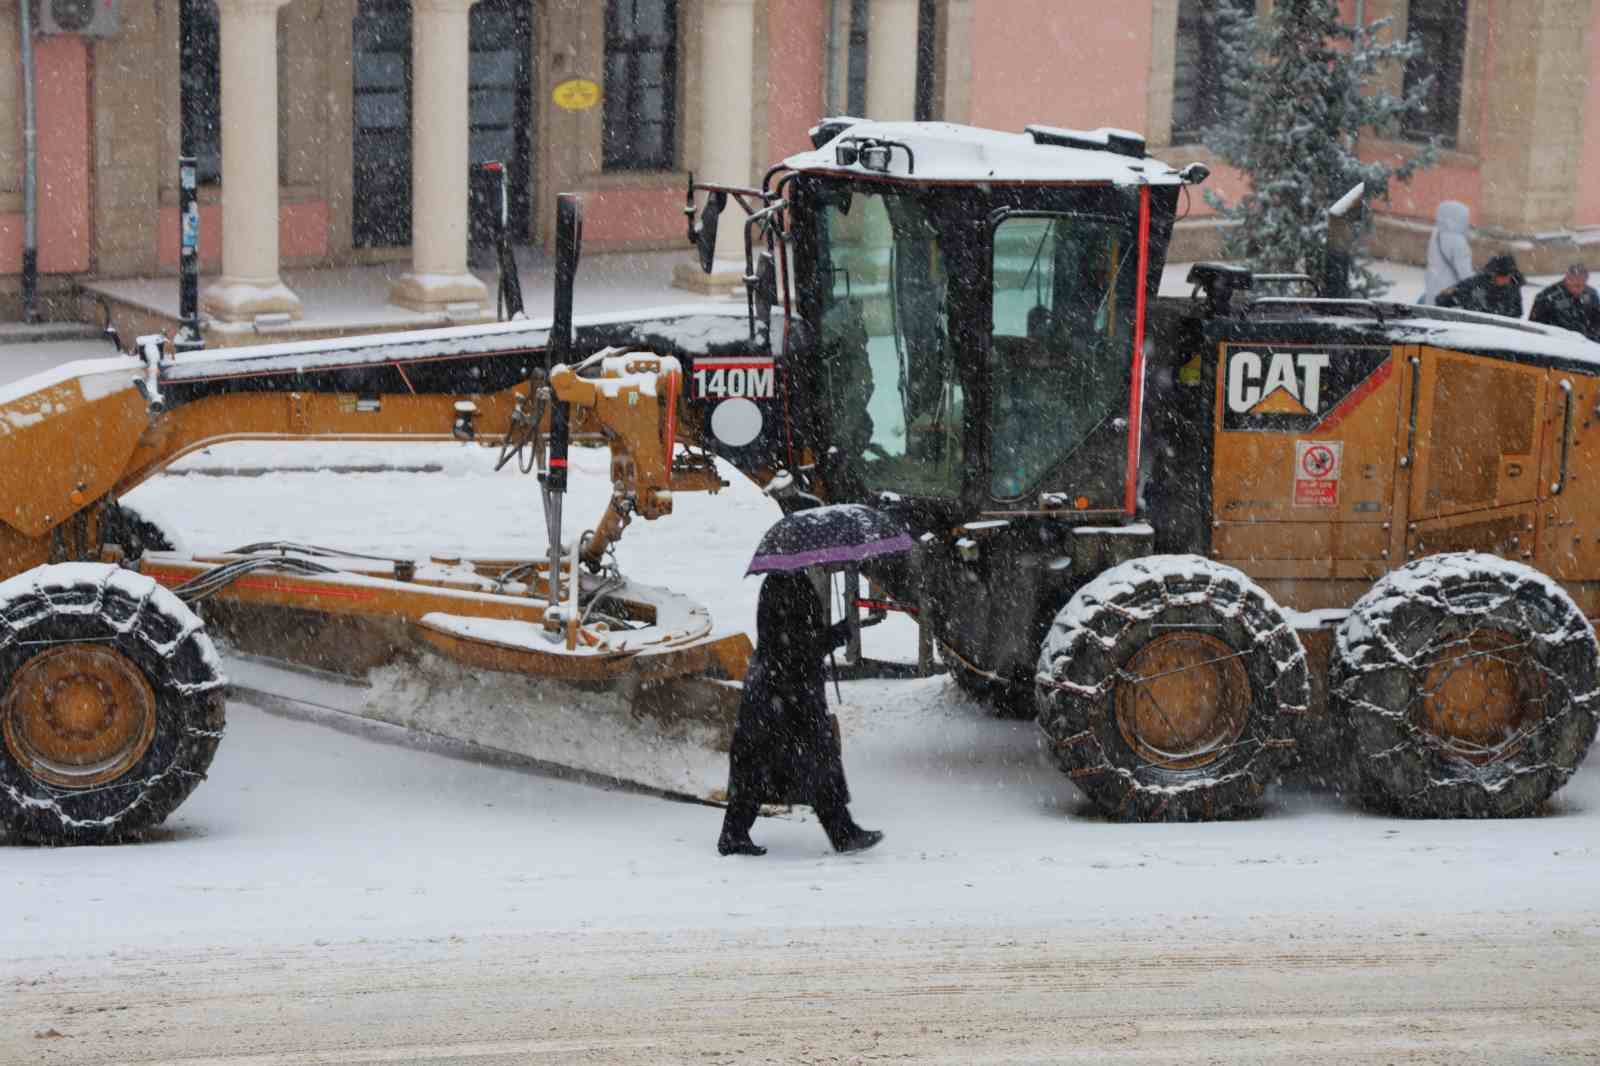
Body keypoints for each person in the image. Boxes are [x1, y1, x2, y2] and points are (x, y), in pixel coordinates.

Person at [718, 571, 883, 857]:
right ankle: (840, 833)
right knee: (805, 762)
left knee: (777, 765)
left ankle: (841, 832)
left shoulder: (788, 582)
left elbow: (798, 641)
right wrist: (835, 635)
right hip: (782, 694)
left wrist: (830, 635)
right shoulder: (786, 586)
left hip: (782, 691)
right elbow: (795, 646)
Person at [1435, 253, 1525, 319]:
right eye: (1501, 276)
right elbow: (1442, 299)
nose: (1505, 280)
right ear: (1493, 274)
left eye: (1508, 276)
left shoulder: (1513, 289)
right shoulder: (1473, 285)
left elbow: (1517, 315)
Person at [1420, 200, 1474, 305]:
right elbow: (1465, 273)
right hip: (1449, 293)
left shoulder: (1436, 234)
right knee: (1445, 319)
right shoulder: (1458, 241)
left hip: (1432, 286)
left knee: (1431, 315)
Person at [1529, 263, 1600, 340]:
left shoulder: (1590, 294)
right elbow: (1535, 326)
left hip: (1586, 341)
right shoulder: (1548, 296)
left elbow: (1597, 319)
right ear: (1567, 279)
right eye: (1576, 285)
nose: (1580, 288)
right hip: (1557, 341)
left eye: (1583, 284)